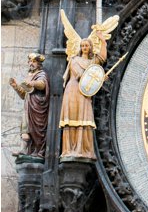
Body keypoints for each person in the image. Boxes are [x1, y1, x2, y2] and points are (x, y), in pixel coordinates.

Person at [59, 11, 118, 160]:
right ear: (80, 47)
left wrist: (102, 40)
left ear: (91, 47)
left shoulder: (92, 62)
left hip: (84, 93)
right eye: (83, 45)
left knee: (84, 118)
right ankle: (69, 149)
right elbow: (80, 76)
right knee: (72, 118)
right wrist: (98, 78)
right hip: (73, 89)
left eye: (87, 45)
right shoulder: (74, 60)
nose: (85, 47)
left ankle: (83, 149)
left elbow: (102, 58)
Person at [9, 53, 49, 159]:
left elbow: (42, 84)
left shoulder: (41, 74)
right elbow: (24, 94)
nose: (31, 63)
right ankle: (23, 150)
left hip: (37, 106)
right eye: (30, 61)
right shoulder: (29, 75)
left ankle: (38, 150)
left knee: (37, 129)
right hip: (28, 105)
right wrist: (16, 86)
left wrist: (32, 83)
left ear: (39, 64)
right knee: (25, 128)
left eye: (34, 61)